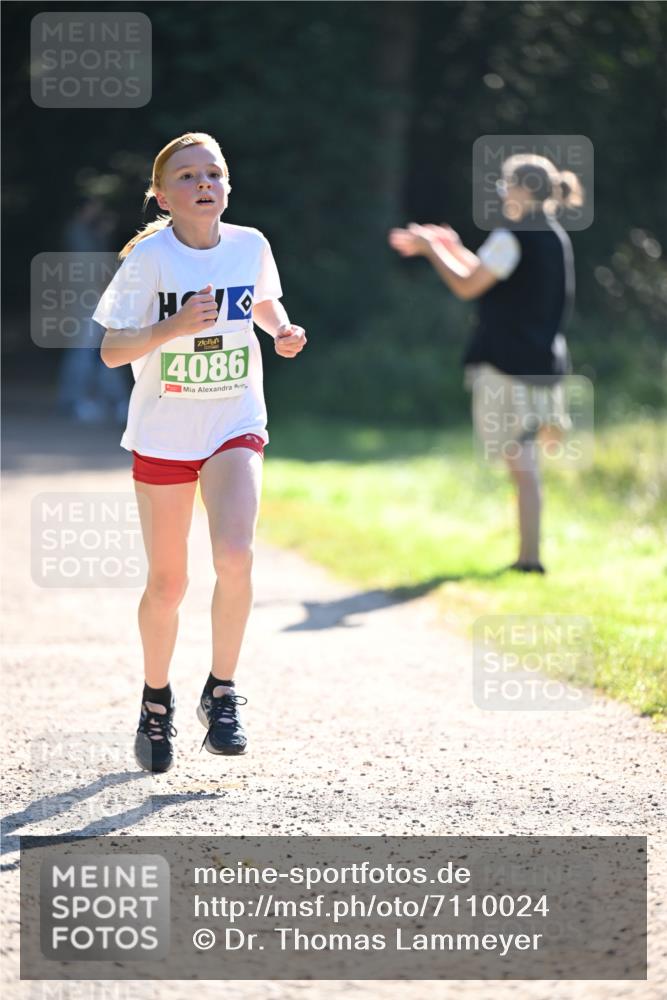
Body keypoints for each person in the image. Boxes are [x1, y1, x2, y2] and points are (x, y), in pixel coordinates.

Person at [92, 132, 307, 772]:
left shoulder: (251, 246)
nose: (203, 183)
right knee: (169, 582)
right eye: (186, 176)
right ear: (161, 195)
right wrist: (172, 328)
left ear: (228, 186)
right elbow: (111, 351)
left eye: (213, 173)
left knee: (235, 555)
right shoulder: (151, 260)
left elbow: (265, 303)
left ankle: (223, 692)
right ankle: (156, 700)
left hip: (232, 421)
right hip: (163, 433)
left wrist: (282, 330)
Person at [388, 153, 583, 574]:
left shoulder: (512, 234)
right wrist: (449, 246)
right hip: (544, 362)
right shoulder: (551, 234)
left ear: (524, 190)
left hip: (508, 363)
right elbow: (485, 270)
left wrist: (430, 251)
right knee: (526, 462)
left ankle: (529, 559)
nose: (500, 193)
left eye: (504, 185)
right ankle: (529, 555)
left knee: (523, 462)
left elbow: (466, 284)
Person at [57, 197, 130, 424]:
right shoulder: (77, 232)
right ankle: (74, 402)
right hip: (86, 303)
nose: (97, 212)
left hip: (94, 302)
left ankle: (100, 401)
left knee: (96, 353)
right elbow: (93, 269)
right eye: (93, 207)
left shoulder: (89, 234)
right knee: (85, 353)